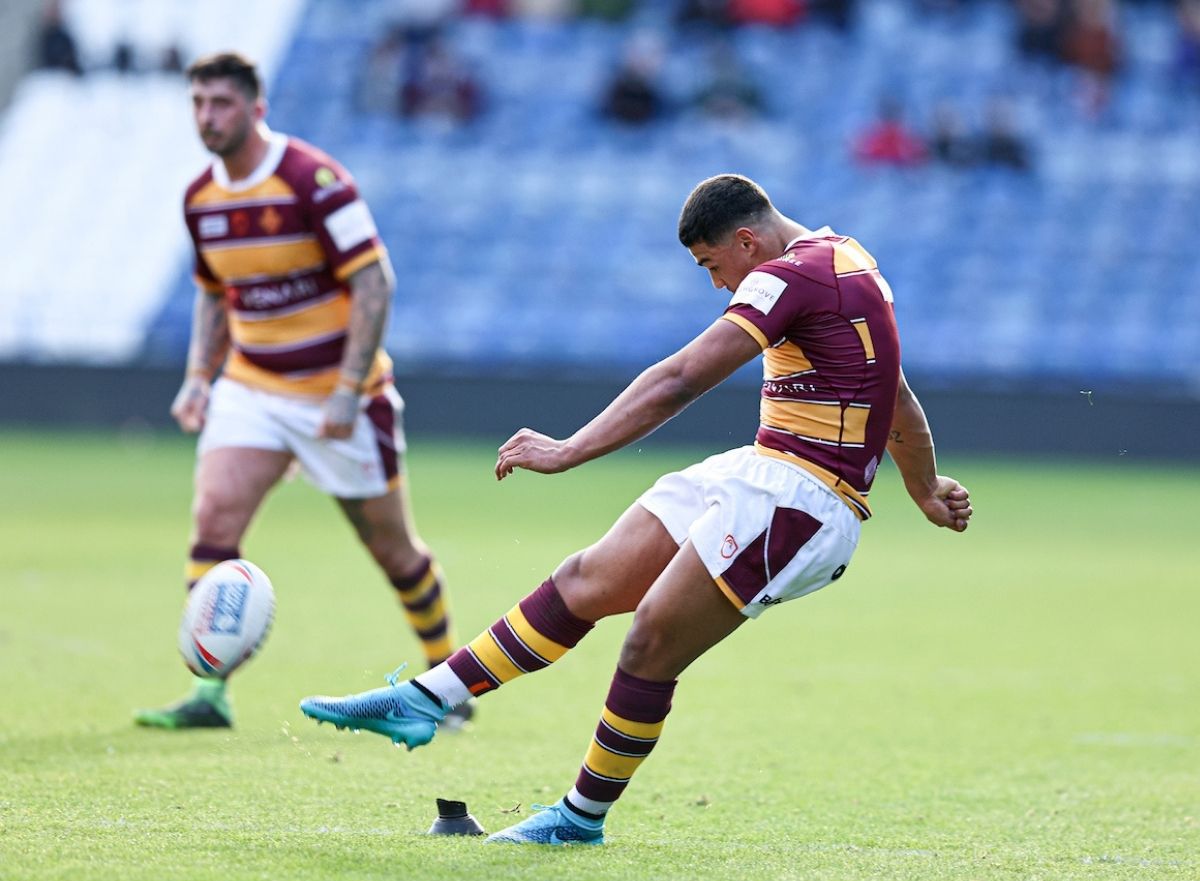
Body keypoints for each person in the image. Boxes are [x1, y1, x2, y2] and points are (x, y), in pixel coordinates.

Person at [299, 174, 972, 844]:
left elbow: (680, 379)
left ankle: (578, 820)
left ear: (746, 240)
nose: (718, 285)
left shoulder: (789, 277)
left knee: (649, 642)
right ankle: (427, 700)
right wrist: (923, 484)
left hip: (804, 502)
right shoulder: (845, 260)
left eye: (713, 266)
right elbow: (898, 393)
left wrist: (570, 450)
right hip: (761, 470)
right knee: (586, 580)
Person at [134, 52, 469, 731]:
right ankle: (210, 695)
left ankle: (448, 679)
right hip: (251, 387)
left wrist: (348, 389)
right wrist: (200, 378)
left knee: (394, 552)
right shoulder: (200, 197)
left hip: (338, 397)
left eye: (221, 103)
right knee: (214, 525)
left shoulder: (312, 180)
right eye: (198, 103)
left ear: (257, 108)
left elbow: (375, 283)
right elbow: (213, 294)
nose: (207, 117)